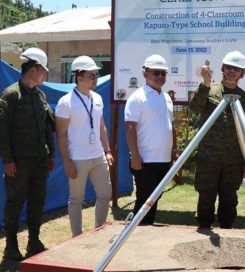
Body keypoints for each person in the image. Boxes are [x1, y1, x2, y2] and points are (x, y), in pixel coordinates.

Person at [189, 51, 245, 229]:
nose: (232, 71)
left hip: (233, 160)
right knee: (206, 195)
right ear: (222, 69)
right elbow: (195, 108)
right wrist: (205, 84)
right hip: (209, 157)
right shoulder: (210, 90)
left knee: (229, 198)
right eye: (229, 67)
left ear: (242, 73)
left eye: (237, 69)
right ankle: (204, 228)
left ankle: (227, 230)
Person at [0, 48, 55, 260]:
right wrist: (8, 160)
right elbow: (2, 130)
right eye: (43, 70)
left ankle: (34, 242)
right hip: (19, 163)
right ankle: (11, 247)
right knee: (14, 202)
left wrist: (51, 154)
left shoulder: (39, 95)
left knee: (37, 200)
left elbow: (47, 126)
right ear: (33, 69)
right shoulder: (11, 94)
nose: (44, 74)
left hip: (40, 161)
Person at [55, 56, 113, 237]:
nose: (95, 78)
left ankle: (99, 230)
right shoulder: (66, 102)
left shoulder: (97, 98)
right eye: (91, 75)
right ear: (79, 77)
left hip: (98, 156)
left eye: (96, 75)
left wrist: (108, 150)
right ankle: (77, 237)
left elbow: (101, 125)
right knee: (76, 199)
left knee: (105, 194)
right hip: (78, 158)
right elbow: (61, 134)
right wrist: (66, 162)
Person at [125, 54, 176, 225]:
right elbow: (130, 128)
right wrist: (135, 155)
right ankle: (136, 231)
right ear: (145, 73)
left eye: (163, 73)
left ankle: (147, 230)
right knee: (144, 199)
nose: (160, 77)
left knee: (155, 197)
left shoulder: (166, 97)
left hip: (163, 159)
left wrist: (173, 152)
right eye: (156, 73)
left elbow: (171, 126)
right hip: (145, 159)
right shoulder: (137, 97)